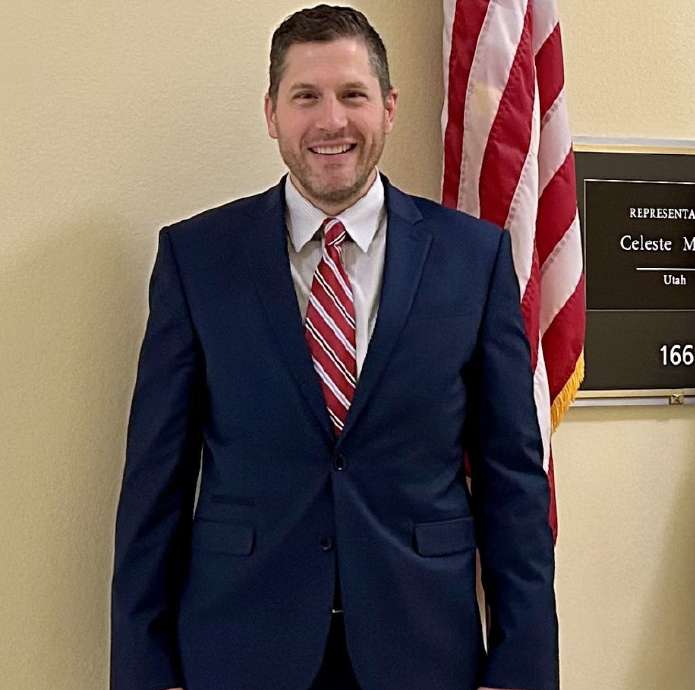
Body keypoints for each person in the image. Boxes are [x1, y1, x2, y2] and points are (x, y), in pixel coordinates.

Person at [109, 6, 557, 690]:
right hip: (240, 649)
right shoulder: (196, 259)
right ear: (271, 113)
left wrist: (521, 670)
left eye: (353, 94)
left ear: (389, 107)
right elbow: (154, 486)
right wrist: (145, 672)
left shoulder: (474, 259)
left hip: (424, 649)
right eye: (305, 97)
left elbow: (512, 484)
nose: (331, 121)